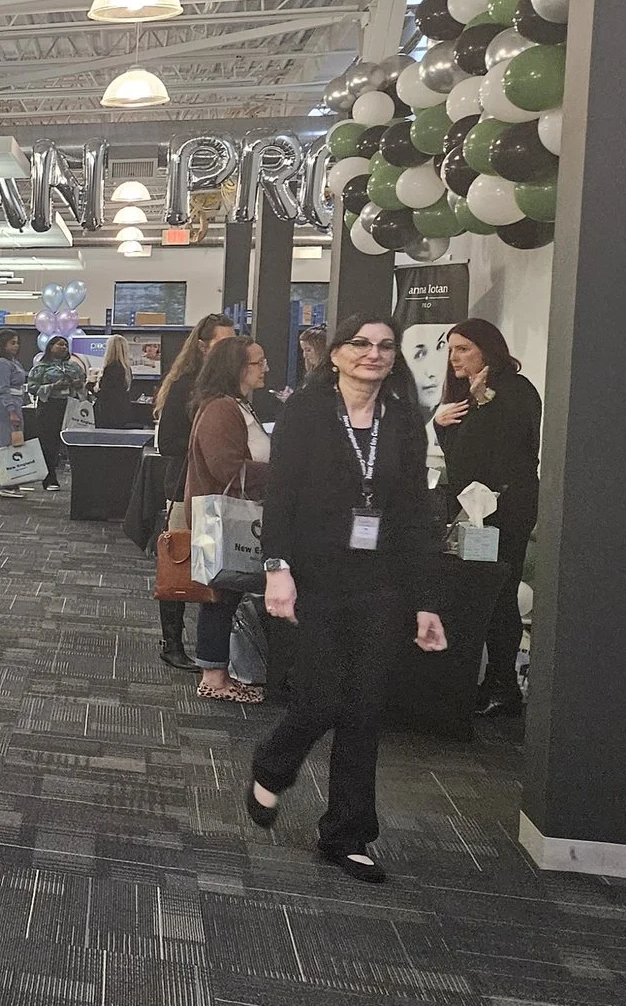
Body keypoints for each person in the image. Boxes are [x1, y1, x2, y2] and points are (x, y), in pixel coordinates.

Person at [247, 310, 449, 884]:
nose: (372, 354)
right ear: (335, 354)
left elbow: (413, 513)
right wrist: (277, 568)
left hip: (381, 581)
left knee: (365, 705)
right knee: (321, 696)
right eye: (360, 343)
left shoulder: (404, 421)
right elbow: (280, 497)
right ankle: (274, 762)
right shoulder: (307, 413)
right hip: (314, 575)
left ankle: (348, 834)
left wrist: (425, 599)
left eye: (384, 345)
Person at [434, 317, 540, 716]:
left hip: (506, 508)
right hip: (476, 510)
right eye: (450, 349)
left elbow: (507, 448)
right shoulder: (467, 394)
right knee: (481, 593)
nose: (454, 357)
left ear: (488, 350)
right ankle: (489, 681)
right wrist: (440, 424)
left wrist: (482, 405)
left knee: (499, 593)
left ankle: (503, 684)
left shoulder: (515, 389)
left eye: (463, 349)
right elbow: (460, 458)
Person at [184, 336, 274, 705]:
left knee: (227, 593)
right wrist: (280, 473)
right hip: (225, 518)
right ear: (236, 368)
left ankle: (218, 672)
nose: (266, 368)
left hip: (235, 516)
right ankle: (213, 677)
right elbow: (225, 467)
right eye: (258, 362)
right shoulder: (222, 409)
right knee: (220, 594)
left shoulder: (237, 406)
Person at [151, 313, 237, 671]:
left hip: (220, 491)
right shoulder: (186, 386)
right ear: (203, 347)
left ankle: (213, 647)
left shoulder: (228, 387)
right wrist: (209, 445)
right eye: (223, 342)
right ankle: (171, 643)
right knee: (179, 564)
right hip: (185, 486)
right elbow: (168, 443)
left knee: (217, 568)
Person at [24, 335, 88, 491]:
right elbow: (32, 388)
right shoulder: (40, 368)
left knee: (74, 441)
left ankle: (81, 479)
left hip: (71, 406)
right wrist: (52, 387)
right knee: (49, 443)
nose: (64, 347)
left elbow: (83, 383)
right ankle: (49, 478)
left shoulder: (74, 366)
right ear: (50, 347)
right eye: (60, 345)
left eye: (66, 345)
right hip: (49, 406)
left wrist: (79, 385)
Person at [0, 330, 30, 498]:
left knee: (1, 444)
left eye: (17, 343)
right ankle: (5, 483)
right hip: (5, 405)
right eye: (12, 343)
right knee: (5, 445)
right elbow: (3, 389)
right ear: (3, 344)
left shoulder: (12, 362)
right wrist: (11, 410)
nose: (16, 346)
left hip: (12, 402)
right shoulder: (2, 363)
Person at [92, 335, 143, 429]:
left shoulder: (111, 368)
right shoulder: (126, 369)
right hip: (122, 411)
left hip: (108, 413)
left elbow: (104, 395)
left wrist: (90, 385)